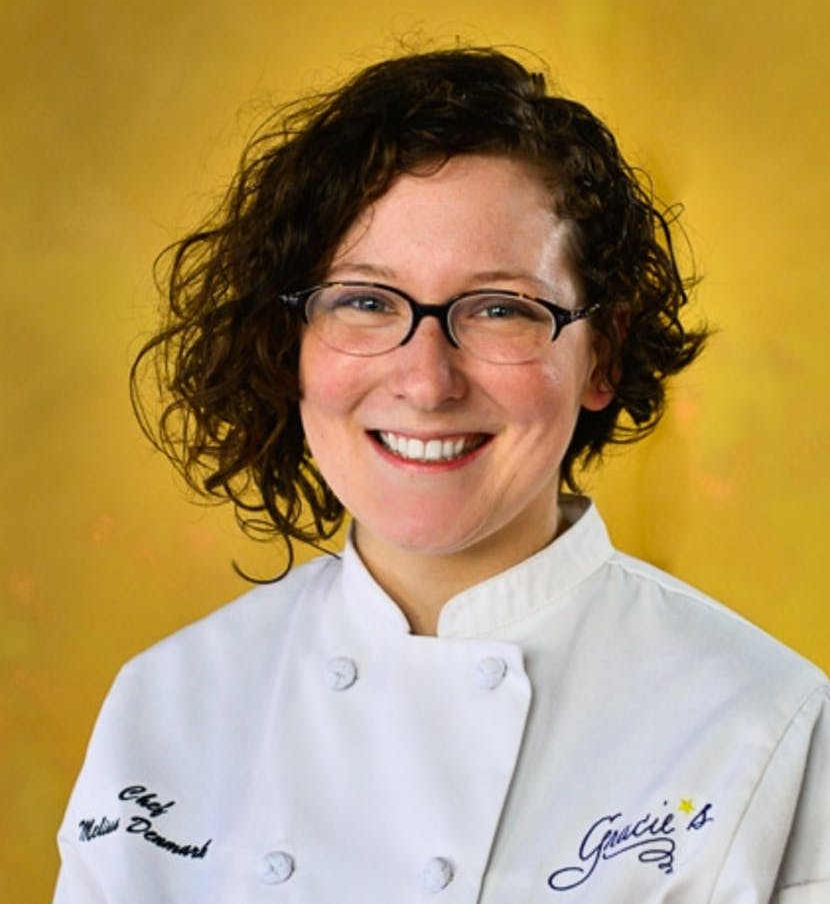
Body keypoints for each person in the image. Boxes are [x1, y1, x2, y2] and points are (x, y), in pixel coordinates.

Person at [54, 48, 829, 902]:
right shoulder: (168, 704)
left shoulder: (764, 725)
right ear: (291, 344)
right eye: (365, 301)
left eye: (500, 309)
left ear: (602, 355)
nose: (426, 382)